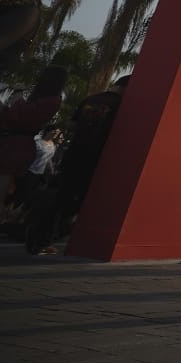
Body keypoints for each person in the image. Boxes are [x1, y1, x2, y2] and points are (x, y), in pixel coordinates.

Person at [24, 74, 129, 253]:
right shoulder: (122, 105)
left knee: (62, 196)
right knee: (81, 201)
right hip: (97, 157)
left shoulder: (91, 99)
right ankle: (54, 236)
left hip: (74, 154)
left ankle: (40, 236)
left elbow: (72, 126)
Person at [0, 66, 66, 227]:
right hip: (14, 144)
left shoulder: (49, 101)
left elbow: (18, 114)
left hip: (13, 145)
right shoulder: (49, 100)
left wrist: (17, 95)